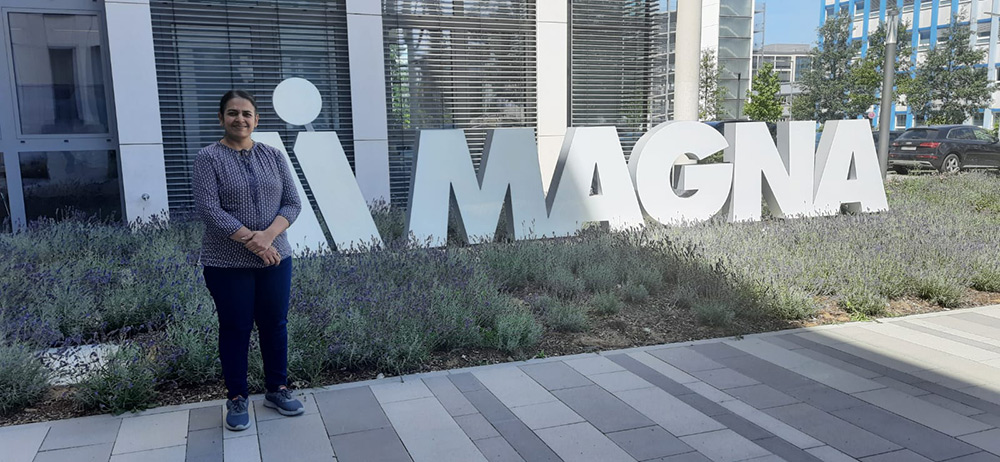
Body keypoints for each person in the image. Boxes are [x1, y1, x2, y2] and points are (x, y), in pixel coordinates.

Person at [193, 90, 304, 431]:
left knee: (275, 325)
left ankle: (277, 388)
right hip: (226, 263)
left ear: (256, 120)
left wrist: (268, 237)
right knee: (236, 328)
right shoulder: (208, 158)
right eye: (232, 113)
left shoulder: (272, 155)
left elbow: (292, 203)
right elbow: (210, 210)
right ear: (221, 118)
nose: (239, 119)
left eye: (246, 113)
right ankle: (237, 397)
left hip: (276, 259)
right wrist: (255, 243)